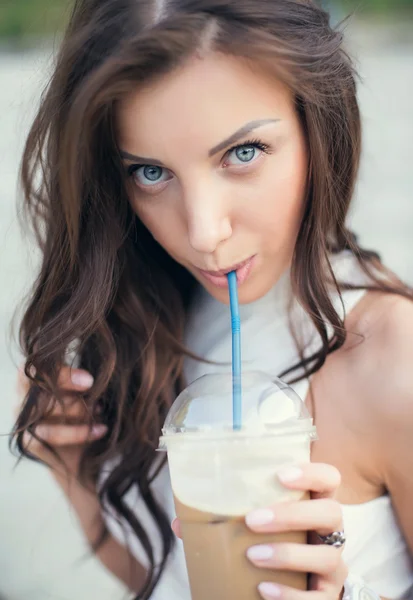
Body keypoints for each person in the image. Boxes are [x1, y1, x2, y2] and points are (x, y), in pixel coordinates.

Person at [13, 1, 413, 600]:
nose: (202, 234)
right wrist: (75, 477)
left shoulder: (395, 362)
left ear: (316, 123)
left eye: (243, 153)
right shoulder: (150, 321)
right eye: (150, 173)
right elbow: (166, 578)